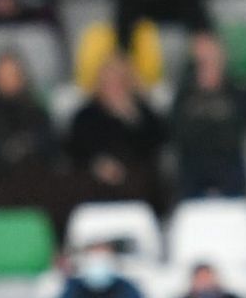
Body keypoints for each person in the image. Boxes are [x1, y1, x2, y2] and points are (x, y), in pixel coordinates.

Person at [66, 55, 170, 223]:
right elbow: (75, 149)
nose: (113, 88)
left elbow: (156, 144)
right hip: (95, 176)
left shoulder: (143, 113)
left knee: (145, 182)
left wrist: (132, 117)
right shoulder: (85, 115)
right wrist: (98, 165)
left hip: (134, 174)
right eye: (108, 83)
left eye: (118, 82)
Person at [0, 51, 62, 217]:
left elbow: (52, 147)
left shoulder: (37, 113)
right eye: (3, 76)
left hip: (36, 187)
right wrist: (7, 151)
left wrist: (25, 147)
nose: (8, 81)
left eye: (13, 75)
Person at [170, 33, 246, 200]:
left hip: (229, 166)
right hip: (193, 167)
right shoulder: (184, 95)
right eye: (202, 60)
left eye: (212, 58)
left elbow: (237, 134)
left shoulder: (237, 92)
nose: (207, 65)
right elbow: (178, 134)